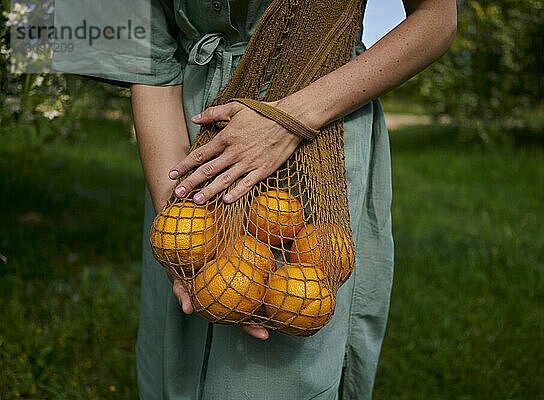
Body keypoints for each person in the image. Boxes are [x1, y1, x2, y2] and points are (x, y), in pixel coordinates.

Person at [55, 0, 456, 398]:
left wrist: (292, 117)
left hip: (319, 128)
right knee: (176, 357)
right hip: (186, 139)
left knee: (284, 377)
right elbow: (149, 62)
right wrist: (181, 227)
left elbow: (436, 20)